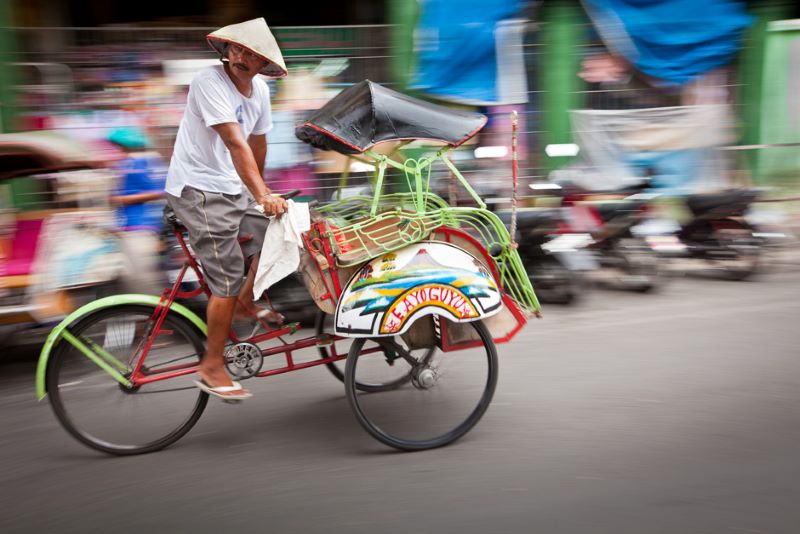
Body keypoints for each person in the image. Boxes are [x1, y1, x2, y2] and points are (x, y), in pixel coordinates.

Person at [165, 18, 289, 401]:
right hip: (197, 189)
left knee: (280, 232)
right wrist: (261, 192)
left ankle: (243, 304)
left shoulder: (261, 92)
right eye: (236, 48)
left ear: (262, 63)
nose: (240, 56)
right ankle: (211, 365)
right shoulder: (208, 82)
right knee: (227, 276)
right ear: (227, 50)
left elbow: (258, 144)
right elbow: (236, 143)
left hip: (231, 188)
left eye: (250, 53)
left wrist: (261, 196)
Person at [107, 127, 168, 296]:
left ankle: (154, 315)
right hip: (149, 226)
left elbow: (158, 192)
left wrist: (120, 200)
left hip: (137, 228)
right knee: (143, 275)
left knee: (140, 278)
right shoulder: (154, 161)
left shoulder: (131, 164)